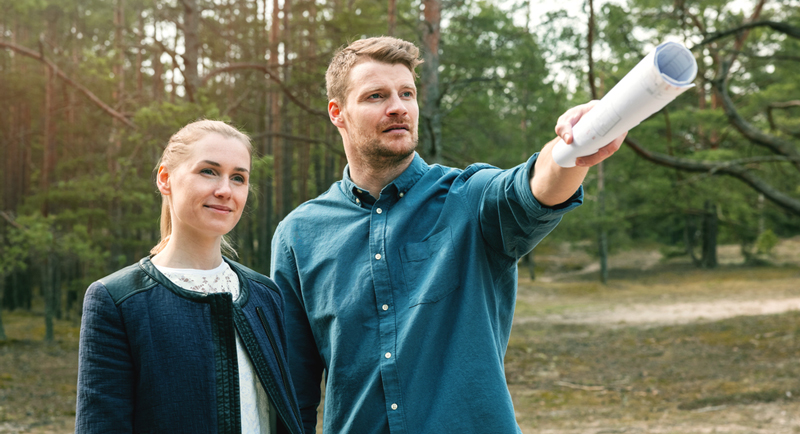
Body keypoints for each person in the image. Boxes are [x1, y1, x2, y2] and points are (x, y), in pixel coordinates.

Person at [270, 36, 625, 433]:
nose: (398, 107)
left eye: (407, 93)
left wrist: (574, 147)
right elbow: (292, 392)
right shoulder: (298, 236)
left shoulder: (468, 198)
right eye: (376, 96)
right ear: (337, 113)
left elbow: (533, 187)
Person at [76, 120, 303, 434]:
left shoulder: (265, 295)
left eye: (238, 177)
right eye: (208, 171)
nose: (225, 190)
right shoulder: (117, 300)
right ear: (165, 179)